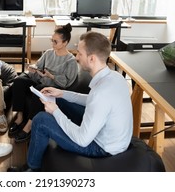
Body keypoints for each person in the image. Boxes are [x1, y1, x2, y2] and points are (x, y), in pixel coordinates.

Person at [8, 31, 133, 172]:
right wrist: (62, 93)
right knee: (60, 100)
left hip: (100, 147)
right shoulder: (115, 77)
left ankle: (32, 169)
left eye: (80, 53)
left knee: (41, 120)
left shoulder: (101, 93)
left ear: (91, 59)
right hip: (107, 134)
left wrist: (55, 112)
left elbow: (82, 140)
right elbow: (91, 100)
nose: (76, 57)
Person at [8, 23, 78, 143]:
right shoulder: (49, 53)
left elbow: (67, 82)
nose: (52, 44)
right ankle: (19, 117)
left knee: (41, 88)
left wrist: (51, 76)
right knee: (19, 80)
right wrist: (33, 68)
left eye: (55, 41)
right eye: (52, 40)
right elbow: (38, 65)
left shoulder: (70, 60)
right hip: (40, 81)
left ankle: (28, 127)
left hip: (53, 88)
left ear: (65, 42)